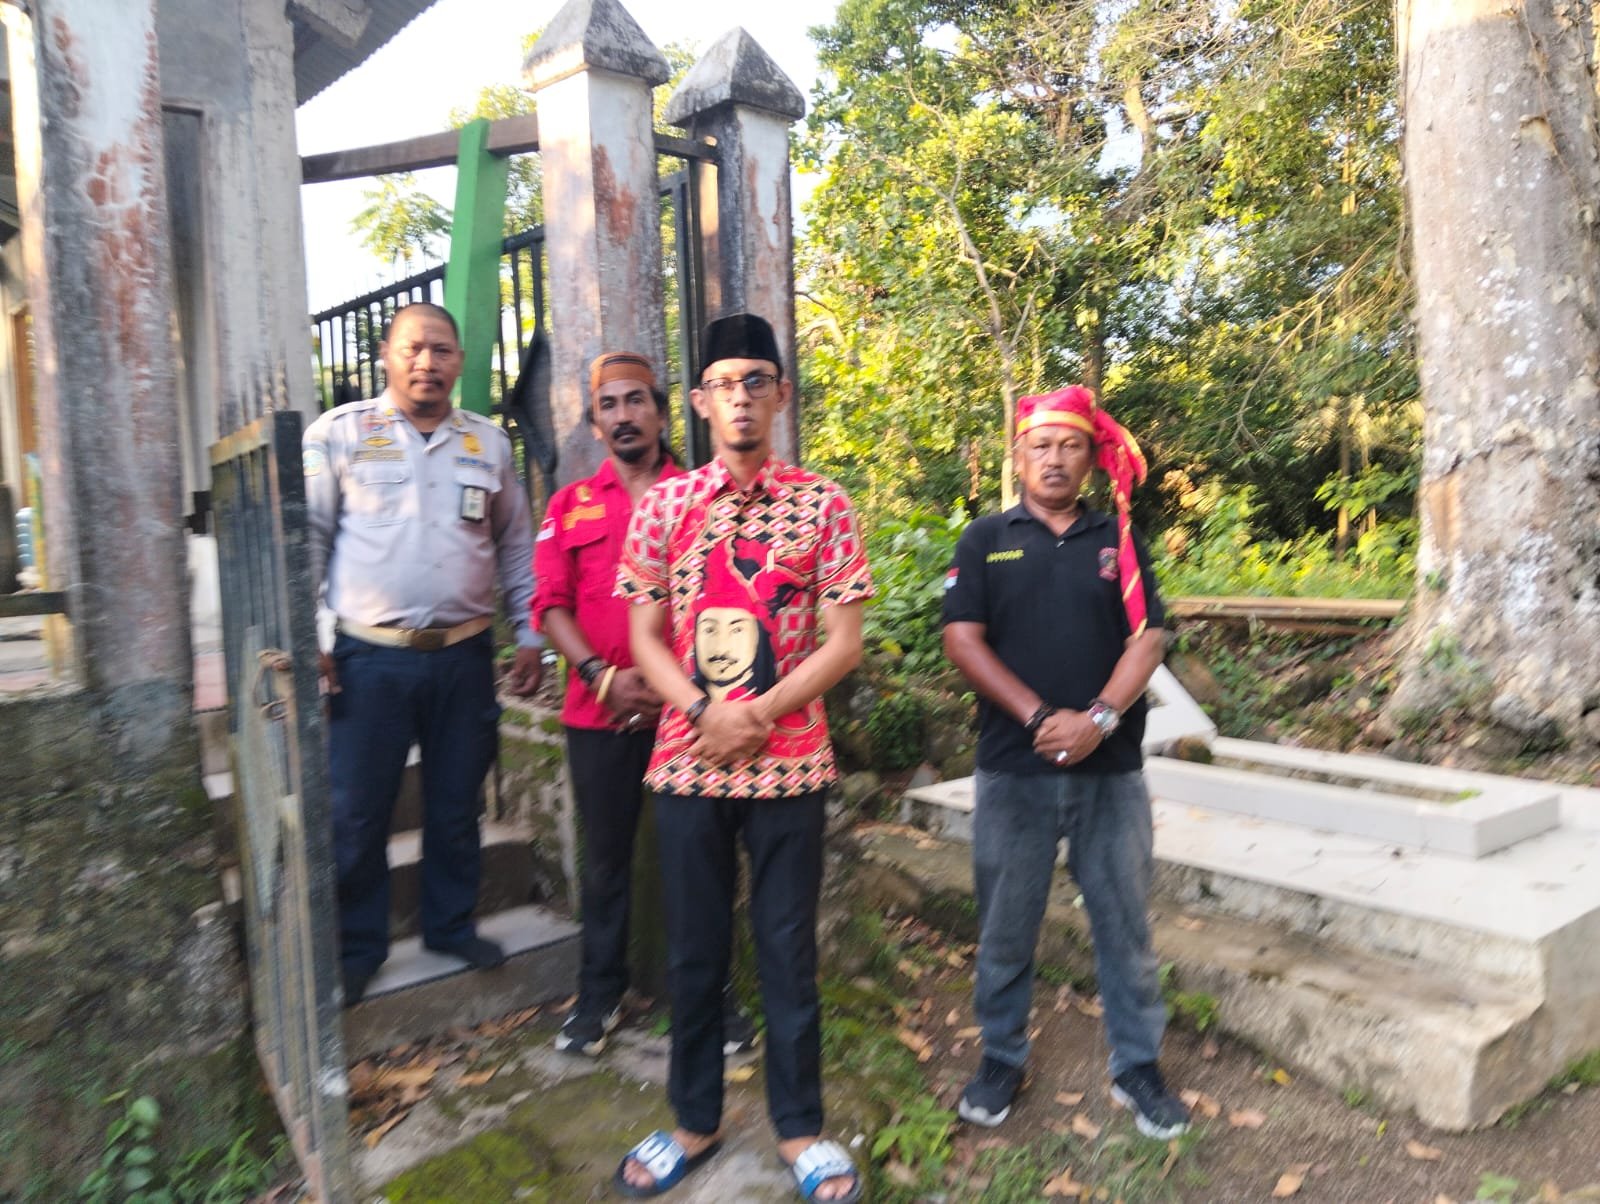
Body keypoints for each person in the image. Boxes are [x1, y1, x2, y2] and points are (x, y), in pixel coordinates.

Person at [611, 314, 871, 1202]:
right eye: (725, 383)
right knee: (694, 948)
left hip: (790, 760)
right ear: (700, 400)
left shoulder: (824, 504)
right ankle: (695, 1118)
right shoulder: (666, 505)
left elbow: (843, 642)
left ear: (781, 394)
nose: (742, 398)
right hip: (689, 761)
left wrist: (756, 712)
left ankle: (800, 1129)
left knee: (787, 946)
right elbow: (644, 636)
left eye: (758, 380)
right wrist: (700, 711)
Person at [940, 385, 1190, 1139]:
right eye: (1041, 445)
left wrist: (1100, 719)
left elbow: (1149, 639)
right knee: (1006, 925)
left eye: (1070, 445)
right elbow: (961, 639)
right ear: (1018, 455)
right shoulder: (985, 538)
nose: (1054, 458)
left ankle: (1137, 1065)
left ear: (1090, 458)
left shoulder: (1120, 538)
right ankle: (1002, 1057)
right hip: (1013, 768)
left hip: (1109, 773)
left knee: (1124, 926)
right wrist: (1039, 718)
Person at [303, 301, 543, 1007]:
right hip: (368, 659)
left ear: (459, 361)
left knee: (456, 803)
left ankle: (450, 925)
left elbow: (515, 545)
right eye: (412, 348)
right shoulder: (341, 434)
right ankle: (358, 948)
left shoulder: (487, 444)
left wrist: (529, 633)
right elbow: (309, 538)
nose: (426, 362)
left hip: (464, 659)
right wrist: (309, 635)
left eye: (441, 350)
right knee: (357, 813)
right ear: (387, 354)